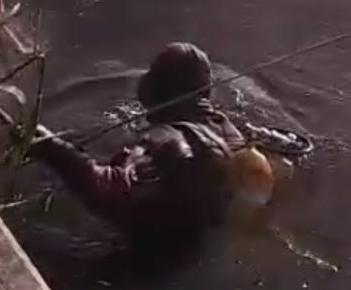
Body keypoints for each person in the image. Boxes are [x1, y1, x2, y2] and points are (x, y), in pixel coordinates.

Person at [29, 43, 275, 256]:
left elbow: (107, 189)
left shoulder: (164, 139)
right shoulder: (231, 132)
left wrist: (51, 148)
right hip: (211, 248)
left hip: (154, 260)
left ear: (154, 89)